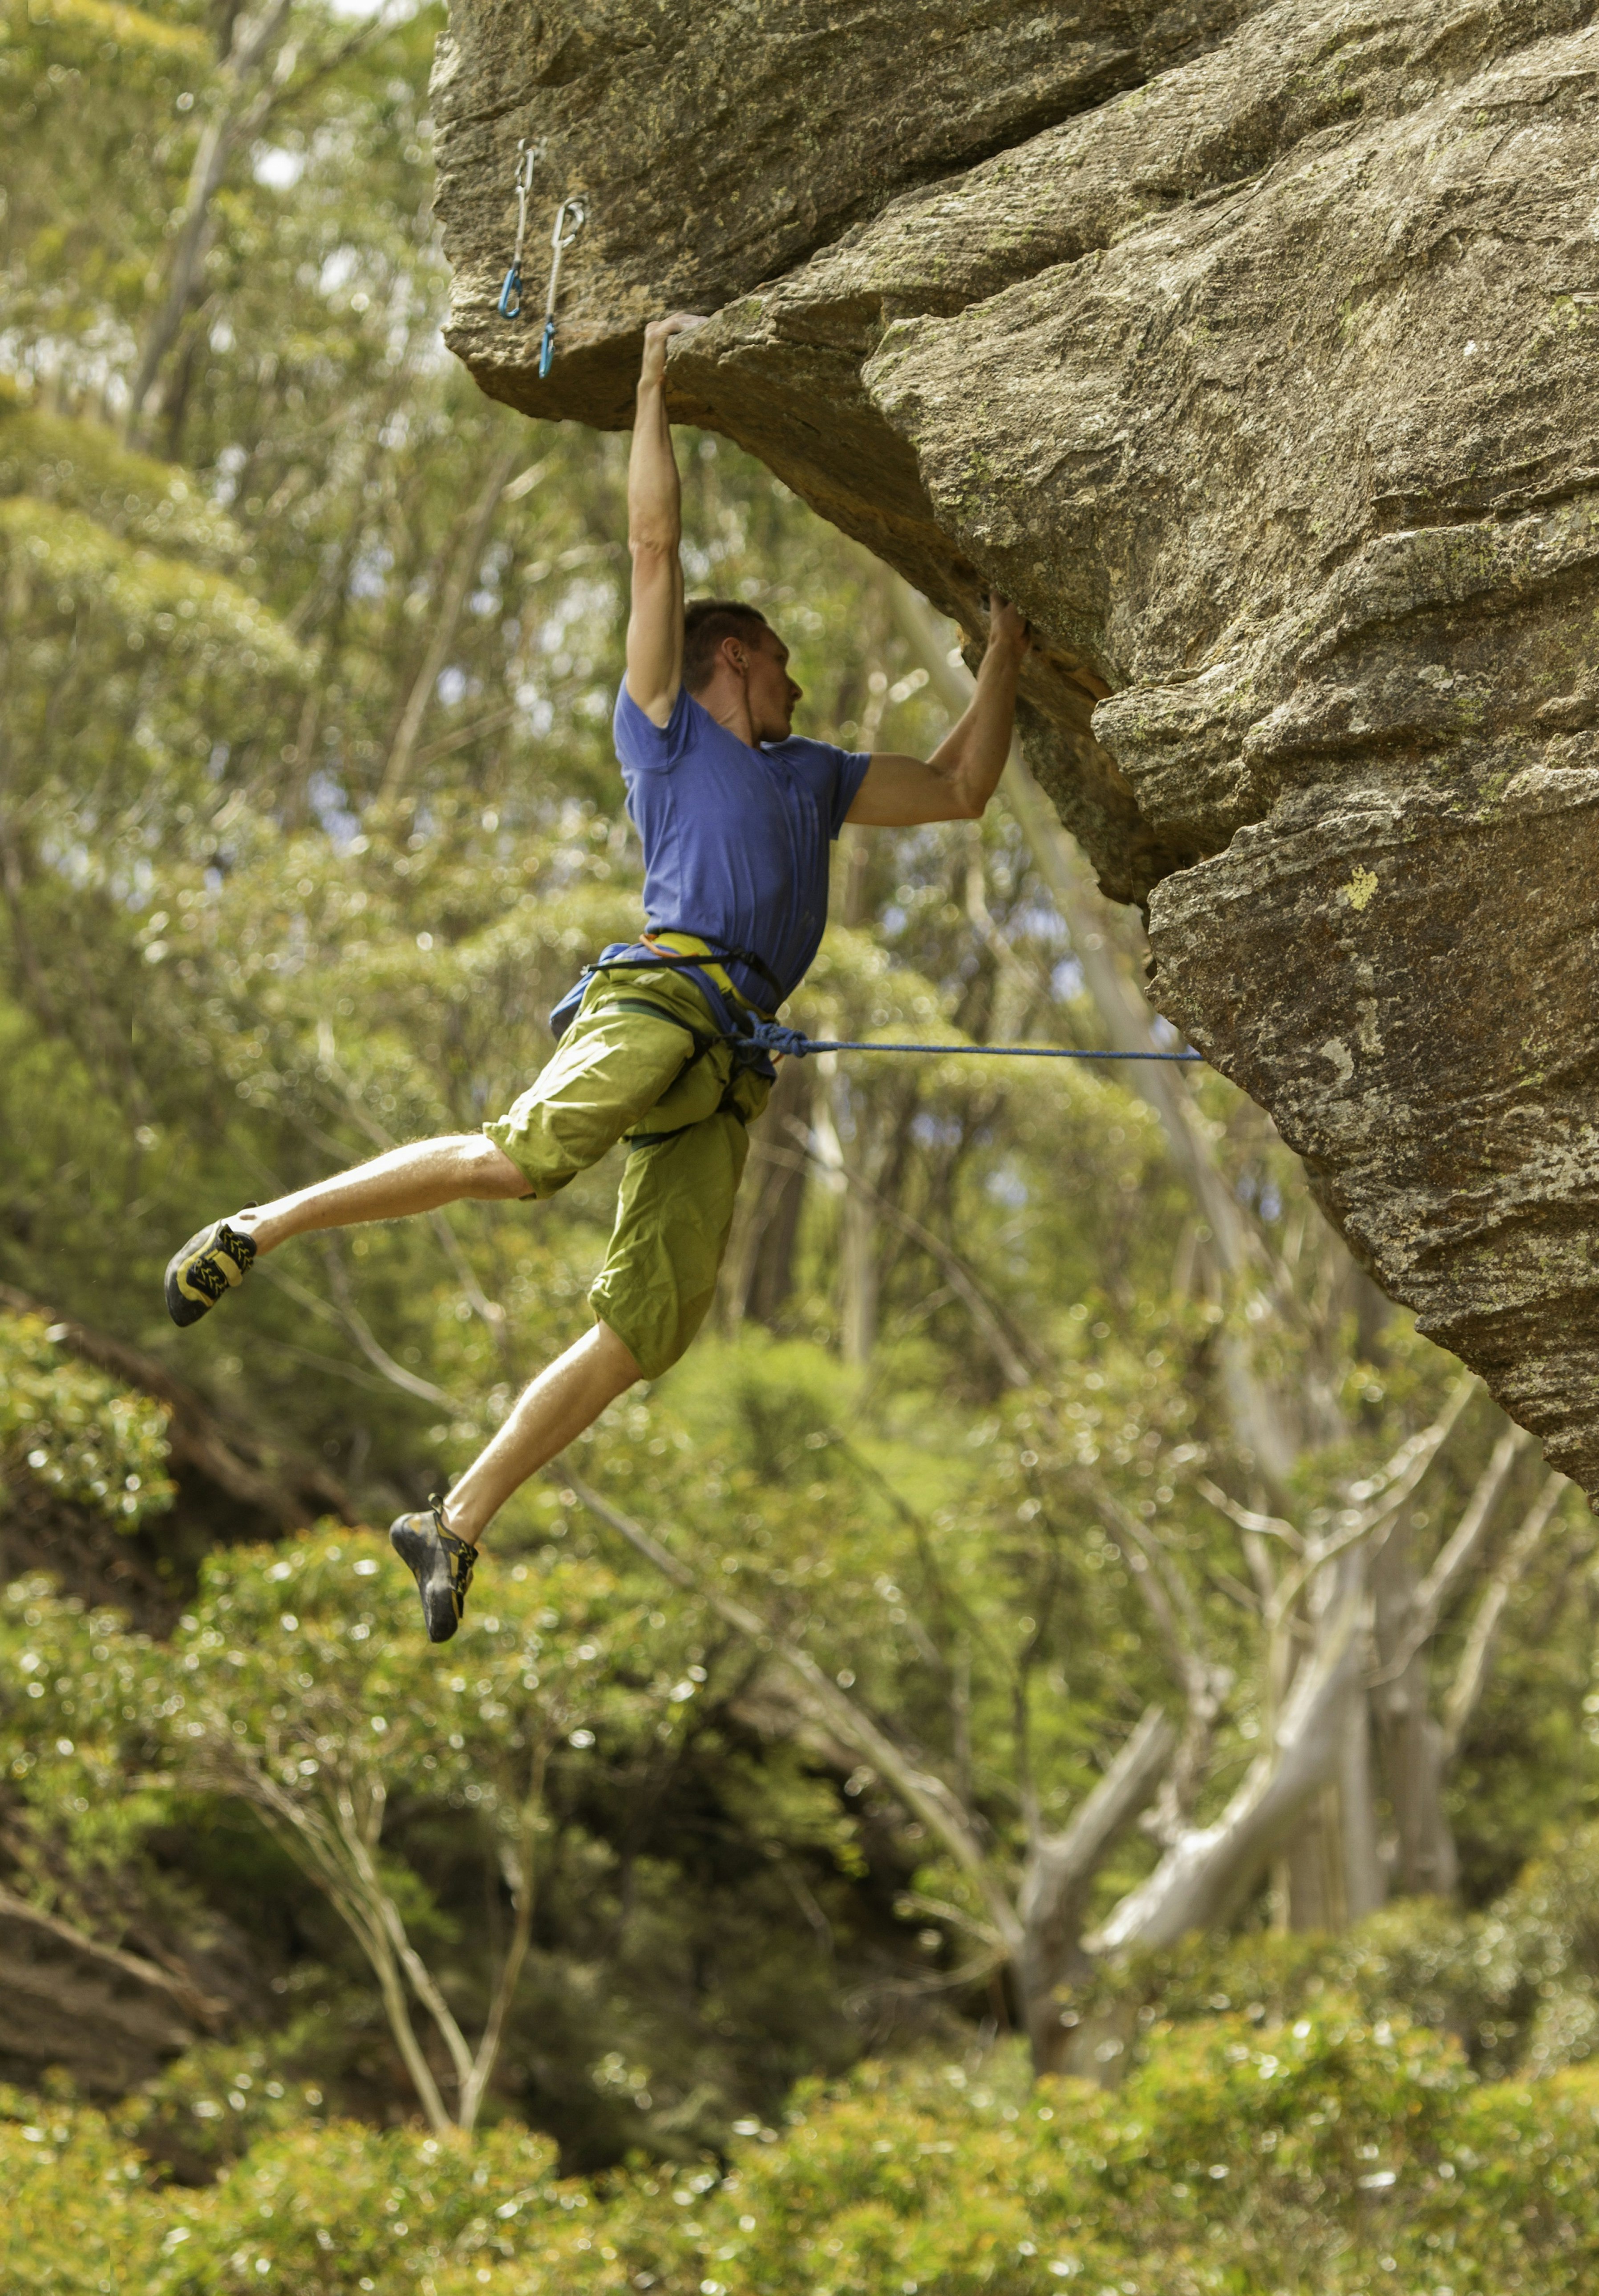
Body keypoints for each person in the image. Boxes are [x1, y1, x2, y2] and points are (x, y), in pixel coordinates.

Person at [163, 311, 1031, 1642]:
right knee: (523, 1161)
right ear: (733, 658)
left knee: (651, 1326)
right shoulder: (667, 734)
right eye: (784, 661)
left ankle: (455, 1520)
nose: (798, 680)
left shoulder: (816, 776)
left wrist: (1009, 635)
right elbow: (652, 549)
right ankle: (255, 1229)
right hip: (661, 998)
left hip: (731, 1060)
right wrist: (652, 391)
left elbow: (967, 788)